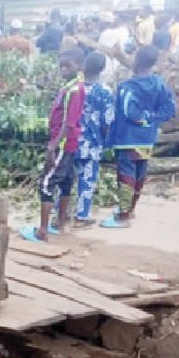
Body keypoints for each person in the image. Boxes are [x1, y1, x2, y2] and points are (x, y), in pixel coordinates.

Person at [101, 46, 176, 228]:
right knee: (140, 173)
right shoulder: (159, 83)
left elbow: (128, 112)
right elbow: (169, 108)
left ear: (137, 61)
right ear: (154, 62)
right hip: (147, 139)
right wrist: (153, 120)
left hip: (128, 139)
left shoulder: (127, 87)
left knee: (126, 175)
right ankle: (131, 209)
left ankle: (123, 216)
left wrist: (142, 119)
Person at [20, 49, 86, 242]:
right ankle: (60, 222)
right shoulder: (70, 86)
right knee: (66, 181)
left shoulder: (74, 90)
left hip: (63, 143)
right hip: (68, 143)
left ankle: (42, 230)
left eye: (68, 66)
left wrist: (52, 146)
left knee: (47, 183)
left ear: (79, 66)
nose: (64, 69)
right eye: (61, 66)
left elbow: (69, 122)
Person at [74, 52, 114, 227]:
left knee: (66, 179)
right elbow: (108, 120)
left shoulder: (74, 87)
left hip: (72, 140)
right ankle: (81, 216)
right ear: (102, 69)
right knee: (87, 179)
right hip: (92, 142)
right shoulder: (104, 91)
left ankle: (60, 215)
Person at [98, 12, 129, 85]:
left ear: (103, 23)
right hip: (115, 66)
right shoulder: (121, 32)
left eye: (100, 21)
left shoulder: (106, 34)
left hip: (106, 68)